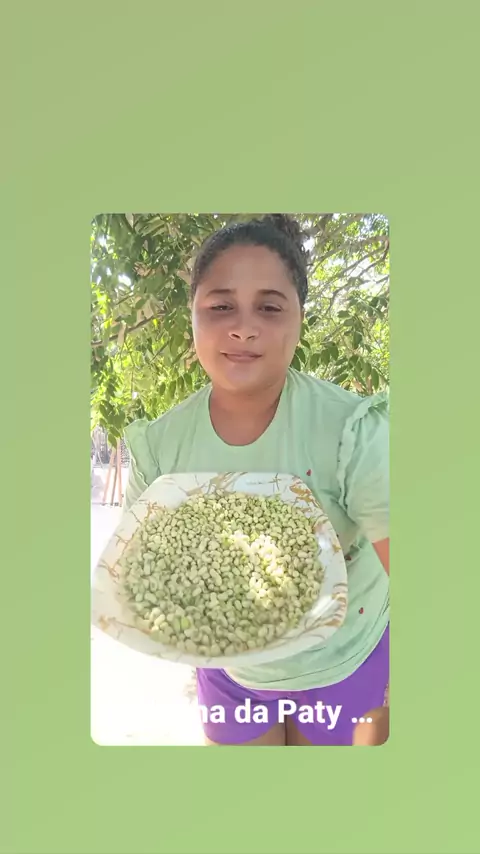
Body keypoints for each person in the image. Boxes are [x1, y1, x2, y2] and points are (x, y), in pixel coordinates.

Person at [123, 214, 390, 746]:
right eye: (220, 306)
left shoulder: (350, 432)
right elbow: (141, 575)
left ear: (300, 319)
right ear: (192, 316)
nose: (243, 328)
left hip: (343, 660)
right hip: (231, 670)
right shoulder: (160, 446)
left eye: (269, 307)